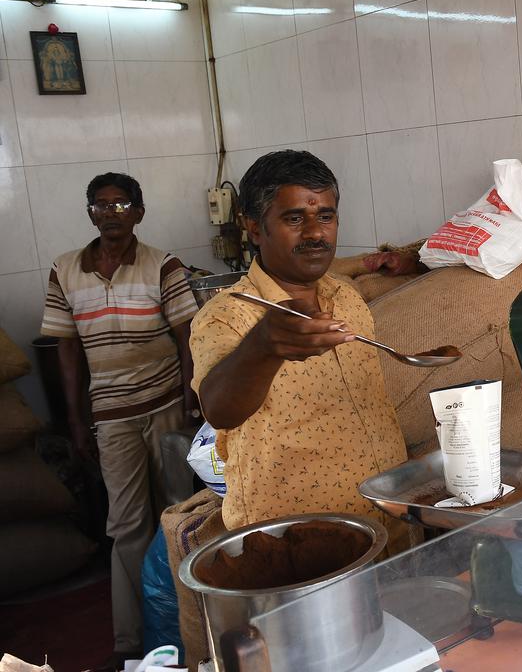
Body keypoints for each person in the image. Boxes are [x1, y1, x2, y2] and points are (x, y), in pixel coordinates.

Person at [189, 150, 408, 530]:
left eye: (326, 216)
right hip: (295, 537)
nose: (315, 233)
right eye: (294, 219)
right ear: (254, 228)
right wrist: (262, 347)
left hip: (384, 521)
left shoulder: (347, 298)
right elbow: (219, 411)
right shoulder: (227, 315)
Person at [40, 172, 200, 666]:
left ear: (139, 211)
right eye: (100, 205)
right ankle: (136, 643)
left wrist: (192, 404)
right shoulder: (65, 270)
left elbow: (187, 337)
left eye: (120, 204)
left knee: (179, 514)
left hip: (166, 407)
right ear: (89, 212)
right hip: (111, 416)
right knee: (126, 524)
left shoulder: (162, 265)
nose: (111, 213)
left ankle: (189, 629)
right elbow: (66, 347)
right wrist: (74, 418)